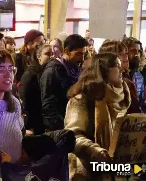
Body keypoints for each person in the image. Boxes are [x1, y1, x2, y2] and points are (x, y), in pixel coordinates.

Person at [65, 53, 131, 181]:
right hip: (88, 169)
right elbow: (72, 136)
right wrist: (97, 152)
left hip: (116, 168)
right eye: (117, 66)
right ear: (104, 70)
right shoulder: (82, 99)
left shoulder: (121, 98)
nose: (122, 69)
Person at [40, 34, 88, 131]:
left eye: (83, 54)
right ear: (66, 51)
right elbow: (48, 106)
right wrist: (63, 127)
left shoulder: (75, 69)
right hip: (60, 129)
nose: (82, 58)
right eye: (78, 54)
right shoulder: (52, 71)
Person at [99, 40, 142, 113]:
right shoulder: (99, 86)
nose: (126, 56)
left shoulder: (127, 81)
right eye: (120, 54)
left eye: (126, 53)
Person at [19, 44, 53, 135]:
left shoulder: (49, 72)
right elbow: (23, 98)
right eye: (47, 54)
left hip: (43, 120)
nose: (51, 57)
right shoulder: (30, 74)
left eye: (52, 54)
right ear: (38, 56)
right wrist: (28, 124)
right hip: (33, 121)